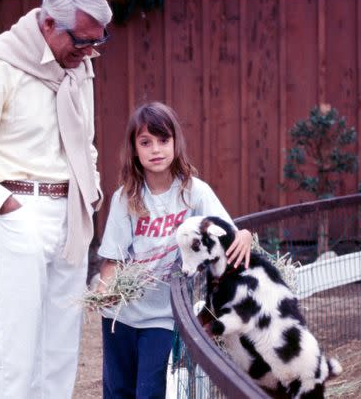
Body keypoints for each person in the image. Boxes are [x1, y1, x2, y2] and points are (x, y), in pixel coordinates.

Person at [0, 0, 112, 398]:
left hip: (71, 216)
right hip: (19, 212)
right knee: (17, 349)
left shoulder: (79, 64)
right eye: (83, 41)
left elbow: (83, 142)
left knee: (61, 348)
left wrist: (90, 194)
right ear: (50, 24)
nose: (90, 52)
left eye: (97, 42)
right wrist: (7, 206)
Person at [96, 101, 253, 398]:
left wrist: (243, 234)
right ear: (134, 149)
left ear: (176, 142)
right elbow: (112, 261)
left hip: (164, 315)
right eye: (146, 142)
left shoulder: (194, 192)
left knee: (150, 391)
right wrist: (104, 292)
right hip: (120, 315)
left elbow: (228, 232)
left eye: (163, 140)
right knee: (118, 391)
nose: (155, 149)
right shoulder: (125, 198)